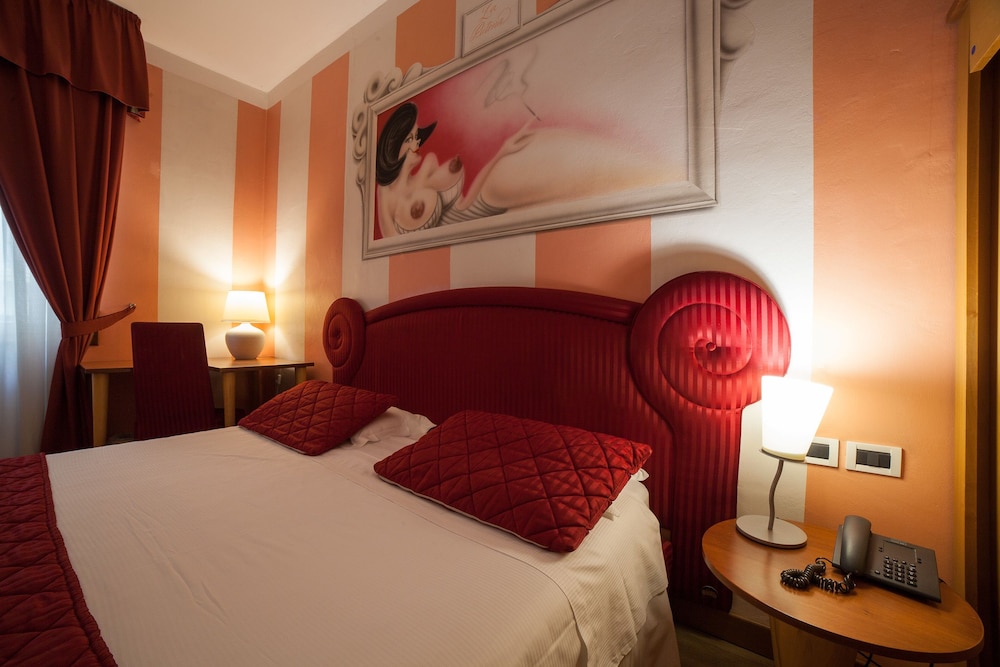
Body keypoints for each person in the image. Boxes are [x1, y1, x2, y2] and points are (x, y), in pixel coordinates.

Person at [374, 101, 683, 238]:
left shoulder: (427, 168)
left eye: (417, 137)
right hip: (492, 205)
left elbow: (466, 205)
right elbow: (397, 254)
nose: (417, 144)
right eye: (411, 138)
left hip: (488, 197)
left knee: (555, 158)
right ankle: (671, 177)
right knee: (575, 195)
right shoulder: (386, 199)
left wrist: (500, 152)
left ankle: (672, 175)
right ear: (394, 144)